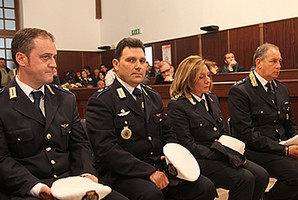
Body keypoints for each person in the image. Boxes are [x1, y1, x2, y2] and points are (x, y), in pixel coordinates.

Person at [0, 28, 127, 200]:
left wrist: (86, 173)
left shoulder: (65, 98)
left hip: (71, 184)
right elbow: (3, 160)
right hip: (28, 190)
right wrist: (36, 187)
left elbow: (79, 144)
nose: (53, 64)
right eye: (45, 57)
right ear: (21, 59)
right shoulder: (3, 104)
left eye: (54, 57)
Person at [86, 37, 216, 200]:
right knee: (151, 195)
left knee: (205, 187)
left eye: (142, 61)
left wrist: (171, 157)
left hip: (159, 166)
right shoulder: (102, 101)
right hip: (123, 174)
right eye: (131, 60)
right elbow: (106, 149)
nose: (138, 66)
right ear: (116, 64)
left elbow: (168, 133)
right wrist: (149, 172)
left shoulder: (152, 96)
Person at [168, 55, 269, 200]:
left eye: (208, 75)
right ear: (188, 80)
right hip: (199, 159)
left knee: (261, 175)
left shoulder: (212, 99)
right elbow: (187, 145)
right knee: (244, 179)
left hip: (221, 153)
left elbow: (223, 132)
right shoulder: (178, 106)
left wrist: (229, 153)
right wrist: (221, 154)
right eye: (201, 77)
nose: (208, 80)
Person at [228, 43, 298, 200]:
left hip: (282, 145)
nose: (278, 66)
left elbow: (290, 124)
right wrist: (285, 151)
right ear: (259, 63)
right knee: (297, 175)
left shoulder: (281, 89)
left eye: (280, 61)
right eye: (273, 61)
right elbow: (246, 134)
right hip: (257, 150)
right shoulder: (241, 91)